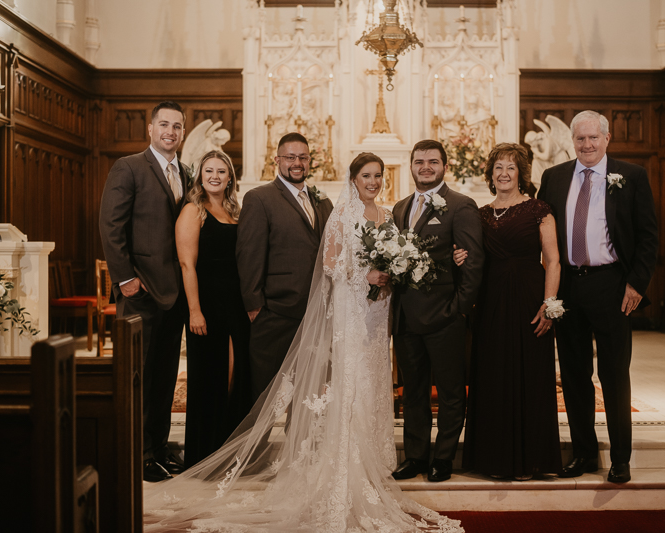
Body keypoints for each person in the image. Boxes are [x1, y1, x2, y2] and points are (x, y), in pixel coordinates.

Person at [142, 153, 464, 533]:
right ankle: (347, 462)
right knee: (349, 382)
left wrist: (397, 271)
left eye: (378, 176)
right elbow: (331, 265)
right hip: (351, 310)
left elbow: (403, 261)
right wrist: (369, 275)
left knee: (373, 382)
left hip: (377, 317)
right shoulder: (341, 213)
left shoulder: (390, 216)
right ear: (354, 178)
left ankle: (376, 462)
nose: (373, 182)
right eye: (366, 175)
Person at [538, 110, 659, 484]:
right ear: (571, 141)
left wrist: (637, 284)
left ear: (607, 139)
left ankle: (620, 458)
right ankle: (584, 453)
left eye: (593, 138)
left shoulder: (632, 175)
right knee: (574, 375)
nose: (587, 145)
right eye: (580, 139)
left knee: (613, 375)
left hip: (611, 286)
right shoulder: (554, 177)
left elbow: (648, 235)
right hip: (569, 287)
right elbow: (538, 230)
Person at [454, 143, 563, 480]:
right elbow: (474, 257)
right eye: (498, 167)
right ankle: (493, 459)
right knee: (492, 373)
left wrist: (549, 305)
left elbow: (554, 260)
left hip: (530, 299)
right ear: (490, 174)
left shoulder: (538, 209)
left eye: (510, 168)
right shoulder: (480, 214)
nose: (503, 173)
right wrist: (461, 259)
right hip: (490, 302)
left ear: (521, 174)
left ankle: (532, 460)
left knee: (530, 373)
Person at [99, 100, 189, 482]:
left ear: (183, 132)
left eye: (177, 126)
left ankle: (158, 448)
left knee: (165, 375)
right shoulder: (130, 167)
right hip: (141, 293)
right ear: (150, 129)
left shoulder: (185, 172)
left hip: (176, 294)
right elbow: (111, 226)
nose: (170, 131)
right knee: (139, 376)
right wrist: (125, 280)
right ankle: (137, 454)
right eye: (164, 125)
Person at [391, 140, 484, 483]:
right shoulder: (400, 208)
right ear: (411, 165)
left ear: (445, 166)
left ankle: (442, 458)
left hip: (444, 317)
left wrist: (458, 309)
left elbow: (473, 263)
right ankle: (415, 456)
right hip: (405, 318)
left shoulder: (461, 206)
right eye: (419, 161)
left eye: (433, 161)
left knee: (449, 392)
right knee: (412, 392)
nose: (425, 167)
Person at [236, 132, 334, 403]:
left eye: (302, 157)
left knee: (309, 396)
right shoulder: (260, 198)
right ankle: (256, 447)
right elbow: (249, 254)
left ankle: (299, 446)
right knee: (265, 395)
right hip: (275, 313)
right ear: (277, 160)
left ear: (310, 160)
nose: (297, 163)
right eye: (290, 157)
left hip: (315, 313)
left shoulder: (323, 201)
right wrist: (255, 307)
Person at [175, 150, 252, 468]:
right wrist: (194, 310)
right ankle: (205, 453)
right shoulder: (193, 210)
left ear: (230, 177)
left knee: (239, 374)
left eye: (222, 171)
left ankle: (231, 451)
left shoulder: (235, 209)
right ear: (200, 175)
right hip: (206, 302)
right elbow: (186, 263)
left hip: (236, 301)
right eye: (209, 170)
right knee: (211, 378)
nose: (215, 176)